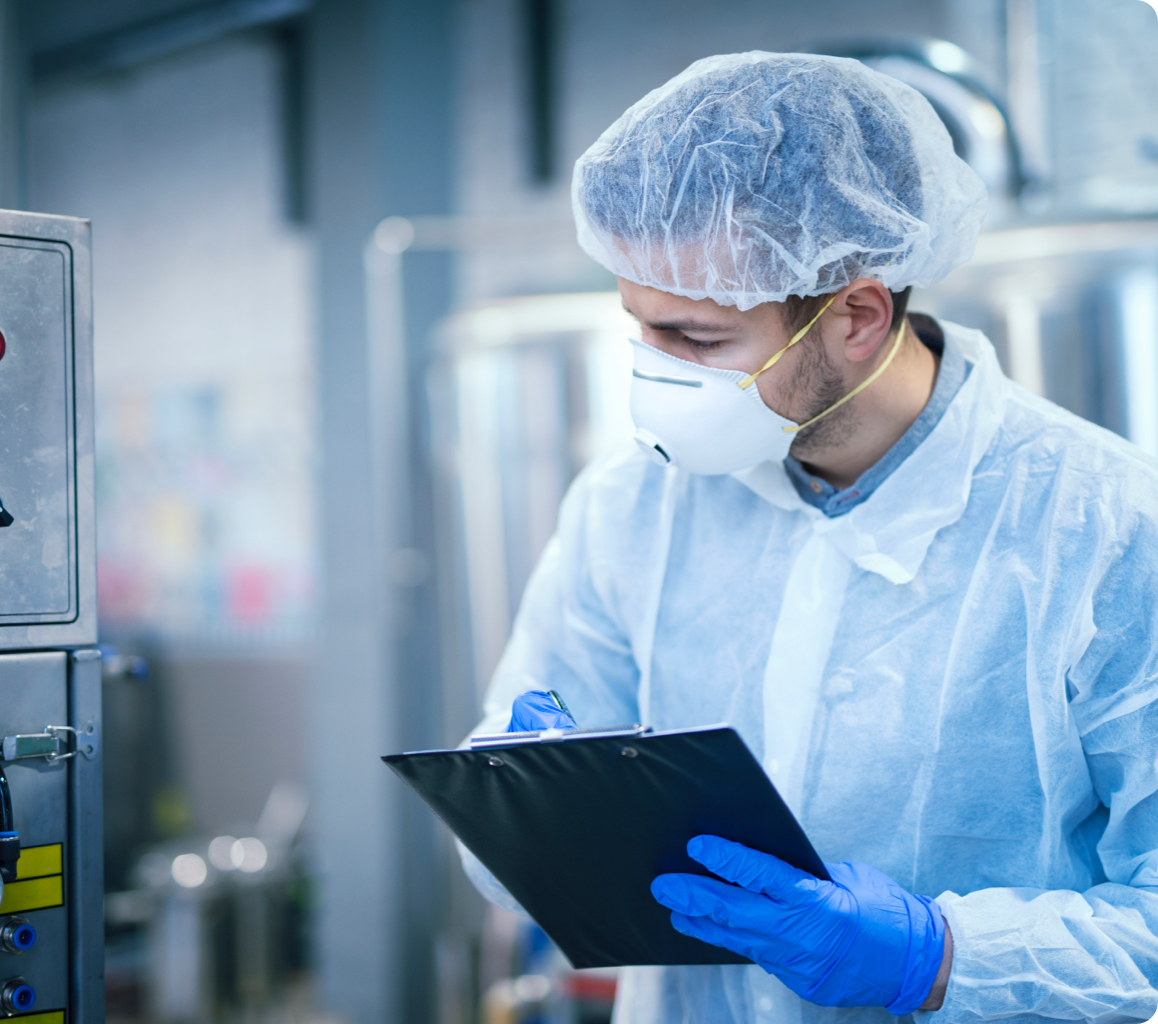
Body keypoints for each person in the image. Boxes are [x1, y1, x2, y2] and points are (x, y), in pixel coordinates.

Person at [460, 52, 1158, 1023]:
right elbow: (517, 841)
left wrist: (940, 958)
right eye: (637, 327)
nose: (651, 378)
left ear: (859, 317)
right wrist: (519, 805)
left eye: (697, 342)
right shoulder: (631, 506)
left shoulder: (1107, 529)